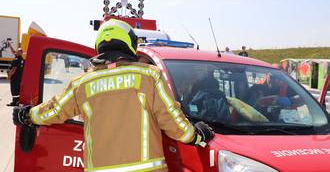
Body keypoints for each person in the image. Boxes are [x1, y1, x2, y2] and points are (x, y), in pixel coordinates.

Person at [12, 19, 214, 171]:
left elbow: (54, 111)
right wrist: (196, 136)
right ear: (129, 44)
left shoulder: (83, 83)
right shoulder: (148, 76)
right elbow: (173, 122)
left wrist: (27, 115)